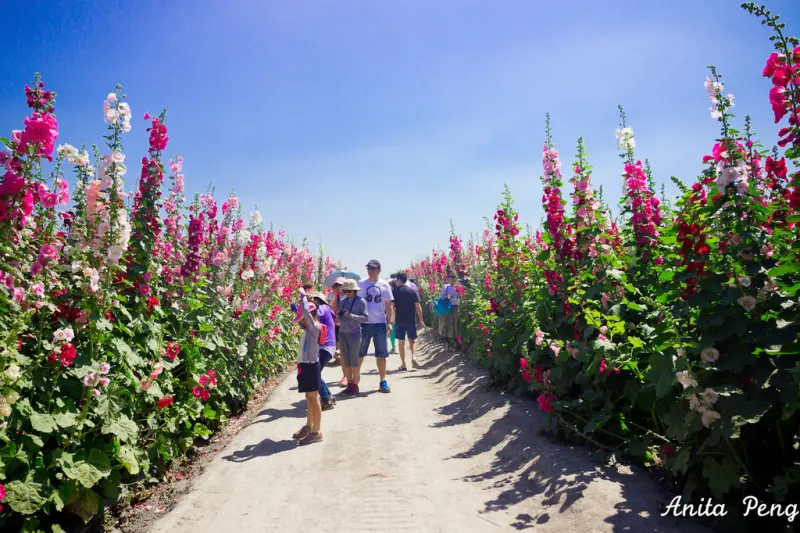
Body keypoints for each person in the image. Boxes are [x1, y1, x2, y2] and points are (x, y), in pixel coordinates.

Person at [292, 287, 325, 445]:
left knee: (314, 398)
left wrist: (304, 297)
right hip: (305, 365)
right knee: (309, 397)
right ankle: (309, 425)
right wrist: (298, 304)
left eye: (304, 318)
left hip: (312, 366)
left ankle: (317, 432)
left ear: (310, 316)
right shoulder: (308, 328)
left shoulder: (315, 327)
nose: (302, 321)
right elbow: (301, 314)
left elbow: (305, 312)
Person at [358, 259, 394, 393]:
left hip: (379, 323)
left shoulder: (384, 285)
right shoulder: (361, 283)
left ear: (379, 270)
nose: (370, 271)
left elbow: (389, 305)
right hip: (364, 323)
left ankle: (383, 381)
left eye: (373, 268)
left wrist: (389, 322)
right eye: (369, 268)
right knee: (360, 353)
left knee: (381, 354)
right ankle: (356, 379)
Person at [336, 278, 369, 395]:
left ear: (355, 291)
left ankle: (355, 385)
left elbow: (366, 318)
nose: (347, 293)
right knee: (346, 361)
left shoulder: (361, 302)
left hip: (354, 333)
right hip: (343, 332)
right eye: (346, 291)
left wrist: (350, 315)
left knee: (354, 362)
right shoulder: (344, 301)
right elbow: (339, 316)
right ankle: (349, 385)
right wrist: (339, 315)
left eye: (350, 291)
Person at [309, 290, 338, 411]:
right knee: (315, 373)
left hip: (325, 346)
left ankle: (326, 399)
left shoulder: (324, 308)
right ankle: (329, 396)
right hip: (326, 347)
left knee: (313, 374)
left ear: (317, 300)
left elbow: (310, 313)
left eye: (312, 300)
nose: (311, 302)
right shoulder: (324, 309)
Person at [392, 272, 425, 370]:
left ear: (398, 280)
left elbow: (392, 306)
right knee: (412, 340)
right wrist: (421, 320)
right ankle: (414, 357)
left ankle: (403, 364)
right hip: (411, 319)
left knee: (401, 342)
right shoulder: (412, 291)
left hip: (400, 320)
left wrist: (390, 319)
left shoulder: (395, 291)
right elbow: (418, 306)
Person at [328, 277, 348, 386]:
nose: (337, 287)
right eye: (335, 285)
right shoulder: (332, 296)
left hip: (349, 326)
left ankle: (351, 375)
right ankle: (345, 376)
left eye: (339, 285)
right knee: (342, 353)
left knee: (348, 353)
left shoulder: (349, 296)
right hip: (337, 326)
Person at [439, 273, 461, 349]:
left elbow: (459, 296)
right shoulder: (446, 287)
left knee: (455, 323)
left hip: (455, 307)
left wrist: (459, 300)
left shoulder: (457, 287)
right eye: (451, 279)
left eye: (453, 279)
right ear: (449, 279)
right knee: (448, 324)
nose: (452, 280)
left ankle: (455, 340)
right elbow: (442, 297)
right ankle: (447, 341)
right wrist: (447, 296)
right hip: (448, 307)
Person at [388, 277, 398, 354]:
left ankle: (394, 347)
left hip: (393, 312)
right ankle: (399, 346)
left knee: (392, 329)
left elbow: (390, 304)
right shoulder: (402, 291)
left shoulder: (391, 292)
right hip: (402, 312)